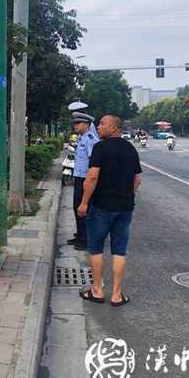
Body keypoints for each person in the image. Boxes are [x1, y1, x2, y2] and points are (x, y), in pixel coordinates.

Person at [77, 114, 142, 307]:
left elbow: (92, 177)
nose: (98, 126)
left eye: (102, 124)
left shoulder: (100, 148)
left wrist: (84, 202)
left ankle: (97, 291)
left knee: (96, 249)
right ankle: (116, 294)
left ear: (114, 128)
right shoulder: (131, 149)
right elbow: (137, 179)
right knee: (119, 251)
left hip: (101, 207)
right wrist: (126, 195)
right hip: (125, 208)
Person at [68, 111, 99, 251]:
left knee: (84, 208)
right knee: (77, 207)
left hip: (86, 179)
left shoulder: (90, 139)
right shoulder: (82, 138)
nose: (75, 125)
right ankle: (80, 235)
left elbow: (94, 162)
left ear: (86, 124)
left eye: (77, 123)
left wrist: (89, 181)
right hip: (79, 177)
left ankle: (86, 239)